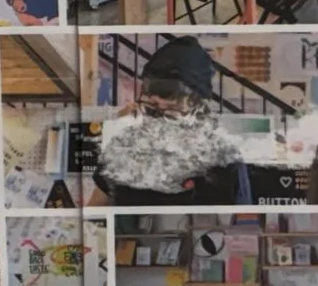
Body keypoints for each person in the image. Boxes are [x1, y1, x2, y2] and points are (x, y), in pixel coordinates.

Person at [96, 34, 247, 206]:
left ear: (197, 109)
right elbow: (96, 209)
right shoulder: (125, 146)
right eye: (152, 108)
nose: (160, 121)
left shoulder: (222, 159)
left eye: (171, 111)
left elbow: (241, 216)